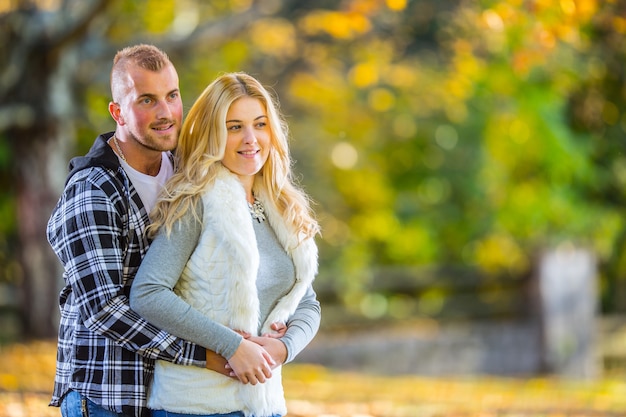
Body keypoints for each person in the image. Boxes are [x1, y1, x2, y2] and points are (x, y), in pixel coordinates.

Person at [129, 72, 321, 417]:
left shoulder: (279, 205)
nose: (251, 139)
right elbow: (148, 292)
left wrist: (284, 348)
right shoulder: (197, 201)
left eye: (259, 124)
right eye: (234, 127)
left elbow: (306, 301)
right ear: (212, 134)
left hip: (265, 403)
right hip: (197, 406)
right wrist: (231, 346)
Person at [46, 44, 211, 417]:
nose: (166, 112)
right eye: (147, 100)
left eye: (172, 95)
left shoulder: (190, 170)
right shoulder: (93, 190)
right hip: (108, 392)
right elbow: (103, 309)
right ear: (118, 111)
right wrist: (206, 355)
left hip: (176, 392)